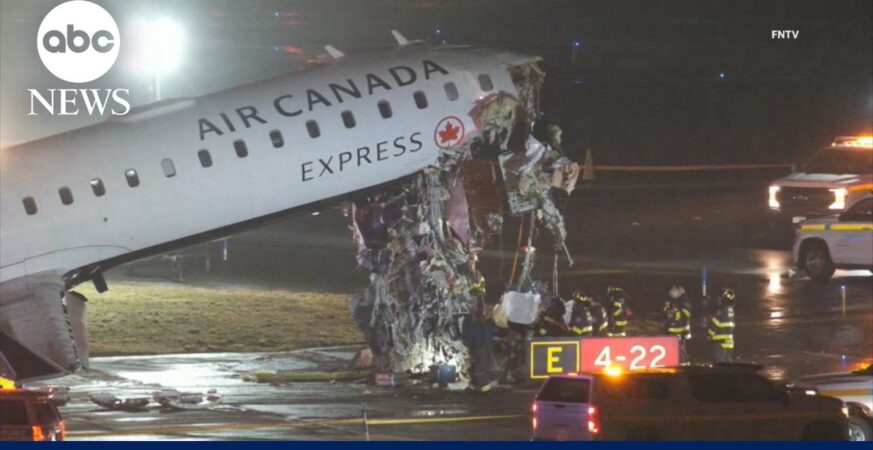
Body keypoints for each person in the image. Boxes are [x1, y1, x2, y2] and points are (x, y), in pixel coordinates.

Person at [664, 285, 692, 363]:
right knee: (673, 349)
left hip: (682, 330)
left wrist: (677, 312)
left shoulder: (685, 301)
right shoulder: (669, 301)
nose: (671, 293)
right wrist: (669, 311)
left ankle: (684, 364)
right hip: (671, 330)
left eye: (674, 290)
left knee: (682, 348)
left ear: (680, 291)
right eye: (670, 291)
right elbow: (666, 311)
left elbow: (688, 313)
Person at [708, 288, 736, 363]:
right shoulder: (731, 310)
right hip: (729, 342)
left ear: (724, 299)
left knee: (719, 364)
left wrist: (709, 335)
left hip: (720, 342)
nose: (719, 299)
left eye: (720, 297)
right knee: (727, 363)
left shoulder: (721, 310)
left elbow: (715, 325)